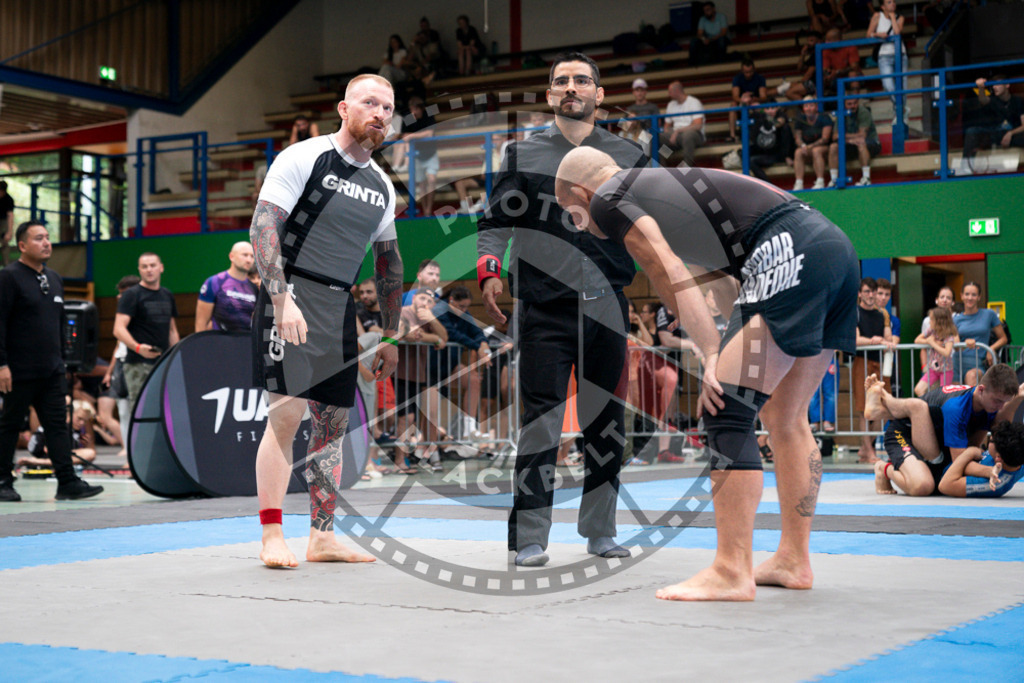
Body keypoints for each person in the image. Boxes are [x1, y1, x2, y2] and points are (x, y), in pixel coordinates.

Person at [554, 146, 860, 601]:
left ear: (582, 191)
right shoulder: (667, 194)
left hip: (785, 251)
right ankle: (794, 560)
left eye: (572, 213)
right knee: (786, 418)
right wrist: (722, 339)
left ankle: (732, 569)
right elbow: (719, 281)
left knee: (725, 411)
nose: (581, 224)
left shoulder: (609, 197)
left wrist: (713, 353)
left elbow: (665, 268)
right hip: (832, 249)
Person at [478, 52, 648, 567]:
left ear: (599, 93)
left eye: (581, 80)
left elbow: (650, 226)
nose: (570, 87)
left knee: (606, 424)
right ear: (550, 94)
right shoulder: (520, 154)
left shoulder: (630, 155)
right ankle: (529, 536)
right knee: (540, 425)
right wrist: (490, 269)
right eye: (560, 81)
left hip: (608, 307)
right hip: (543, 307)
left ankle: (600, 529)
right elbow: (495, 221)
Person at [249, 73, 403, 568]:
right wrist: (279, 299)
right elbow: (264, 224)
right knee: (287, 417)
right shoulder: (304, 157)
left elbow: (388, 265)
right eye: (369, 102)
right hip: (291, 294)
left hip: (339, 309)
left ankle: (322, 537)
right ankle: (272, 534)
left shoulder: (382, 186)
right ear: (343, 108)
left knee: (331, 426)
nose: (379, 113)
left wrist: (390, 334)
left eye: (388, 107)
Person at [0, 221, 104, 501]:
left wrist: (64, 364)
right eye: (38, 238)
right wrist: (1, 364)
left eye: (48, 237)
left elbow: (58, 327)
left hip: (52, 370)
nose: (46, 242)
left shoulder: (55, 278)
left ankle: (67, 483)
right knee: (9, 425)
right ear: (22, 246)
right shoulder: (8, 277)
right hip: (18, 370)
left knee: (58, 426)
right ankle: (2, 482)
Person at [868, 365, 1021, 496]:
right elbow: (960, 460)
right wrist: (988, 470)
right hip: (905, 432)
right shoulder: (957, 408)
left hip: (934, 438)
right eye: (998, 401)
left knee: (940, 464)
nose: (1000, 407)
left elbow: (991, 432)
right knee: (923, 486)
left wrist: (1019, 397)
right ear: (981, 390)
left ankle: (884, 405)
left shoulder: (988, 404)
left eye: (1004, 402)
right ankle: (883, 468)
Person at [113, 253, 180, 408]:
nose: (149, 270)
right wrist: (138, 348)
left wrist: (175, 357)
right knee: (142, 410)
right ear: (139, 270)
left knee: (166, 408)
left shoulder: (167, 294)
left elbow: (172, 330)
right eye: (144, 266)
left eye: (152, 265)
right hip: (138, 363)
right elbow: (118, 329)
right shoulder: (131, 295)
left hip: (163, 363)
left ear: (161, 268)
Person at [431, 286, 491, 441]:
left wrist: (483, 343)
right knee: (433, 404)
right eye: (461, 306)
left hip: (450, 363)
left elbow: (476, 332)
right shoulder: (439, 310)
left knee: (474, 380)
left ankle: (469, 428)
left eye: (466, 307)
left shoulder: (464, 313)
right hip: (430, 364)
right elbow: (451, 334)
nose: (464, 310)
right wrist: (477, 346)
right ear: (451, 300)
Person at [852, 277, 893, 463]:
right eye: (867, 291)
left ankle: (865, 447)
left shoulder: (881, 314)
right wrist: (873, 341)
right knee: (863, 410)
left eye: (873, 291)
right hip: (862, 362)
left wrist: (884, 341)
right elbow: (855, 339)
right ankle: (869, 451)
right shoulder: (854, 313)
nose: (870, 295)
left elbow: (888, 338)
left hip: (880, 363)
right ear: (860, 293)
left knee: (883, 407)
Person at [938, 420, 1024, 498]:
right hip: (950, 452)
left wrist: (969, 453)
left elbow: (945, 485)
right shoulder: (1015, 454)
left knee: (927, 485)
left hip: (939, 468)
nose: (989, 440)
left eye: (991, 441)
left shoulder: (993, 484)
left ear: (998, 458)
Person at [961, 76, 1024, 172]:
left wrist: (1010, 133)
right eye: (993, 85)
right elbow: (983, 100)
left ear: (1007, 85)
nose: (994, 87)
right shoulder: (993, 99)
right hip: (994, 134)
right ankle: (965, 169)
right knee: (972, 131)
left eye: (997, 84)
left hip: (1012, 135)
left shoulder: (1018, 101)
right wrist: (981, 87)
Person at [195, 242, 258, 332]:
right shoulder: (214, 282)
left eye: (252, 256)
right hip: (219, 341)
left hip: (245, 341)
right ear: (231, 256)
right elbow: (201, 324)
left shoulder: (254, 288)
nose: (249, 260)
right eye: (245, 255)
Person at [954, 281, 1006, 382]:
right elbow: (955, 345)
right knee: (955, 394)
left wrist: (990, 349)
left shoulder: (989, 314)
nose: (970, 298)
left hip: (978, 362)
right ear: (962, 296)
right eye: (967, 294)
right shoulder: (956, 319)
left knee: (972, 377)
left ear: (979, 297)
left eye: (974, 295)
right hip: (957, 362)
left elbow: (1003, 338)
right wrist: (964, 344)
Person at [868, 0, 909, 122]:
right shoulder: (877, 16)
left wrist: (892, 17)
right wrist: (877, 34)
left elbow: (897, 32)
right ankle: (901, 108)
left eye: (894, 2)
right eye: (889, 2)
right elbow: (868, 34)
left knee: (902, 86)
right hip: (884, 56)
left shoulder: (900, 17)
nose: (893, 4)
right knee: (887, 85)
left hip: (900, 54)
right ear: (882, 6)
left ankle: (899, 114)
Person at [828, 93, 879, 187]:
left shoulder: (863, 112)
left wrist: (843, 136)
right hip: (850, 144)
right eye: (849, 104)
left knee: (861, 142)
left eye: (855, 103)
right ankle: (834, 180)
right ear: (844, 104)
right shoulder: (841, 113)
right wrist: (849, 140)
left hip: (871, 143)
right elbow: (834, 136)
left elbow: (862, 135)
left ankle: (866, 178)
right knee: (833, 146)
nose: (853, 106)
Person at [402, 97, 439, 216]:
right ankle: (426, 211)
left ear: (420, 109)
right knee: (422, 184)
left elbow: (429, 134)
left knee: (432, 180)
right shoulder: (408, 118)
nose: (413, 113)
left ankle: (429, 209)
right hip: (416, 155)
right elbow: (404, 136)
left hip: (431, 153)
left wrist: (412, 136)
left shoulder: (429, 114)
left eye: (415, 110)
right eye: (411, 110)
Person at [914, 306, 959, 396]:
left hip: (946, 370)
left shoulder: (948, 335)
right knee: (918, 389)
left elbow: (947, 352)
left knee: (943, 394)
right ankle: (928, 407)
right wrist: (928, 341)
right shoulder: (931, 331)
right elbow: (917, 340)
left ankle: (939, 409)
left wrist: (933, 344)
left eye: (931, 319)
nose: (929, 321)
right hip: (933, 369)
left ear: (939, 321)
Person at [792, 96, 834, 190]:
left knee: (816, 151)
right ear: (803, 108)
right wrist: (802, 145)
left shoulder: (824, 118)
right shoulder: (800, 119)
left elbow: (825, 138)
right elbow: (797, 137)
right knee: (798, 152)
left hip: (824, 148)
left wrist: (809, 146)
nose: (809, 108)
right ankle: (798, 183)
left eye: (811, 105)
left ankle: (820, 181)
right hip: (807, 149)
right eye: (806, 106)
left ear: (816, 106)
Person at [748, 99, 795, 182]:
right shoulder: (759, 118)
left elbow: (780, 122)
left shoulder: (781, 116)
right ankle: (767, 184)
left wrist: (787, 156)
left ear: (777, 108)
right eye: (767, 108)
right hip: (764, 152)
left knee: (786, 128)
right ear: (764, 109)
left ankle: (769, 185)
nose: (770, 111)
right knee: (749, 159)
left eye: (773, 108)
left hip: (777, 154)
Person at [662, 81, 705, 167]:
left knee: (688, 136)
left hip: (694, 134)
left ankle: (686, 167)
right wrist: (669, 134)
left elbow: (697, 125)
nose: (668, 94)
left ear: (677, 91)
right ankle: (661, 167)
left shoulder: (694, 102)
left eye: (670, 92)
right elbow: (666, 126)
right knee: (659, 138)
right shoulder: (671, 104)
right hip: (676, 137)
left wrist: (677, 131)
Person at [618, 78, 661, 156]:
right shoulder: (629, 109)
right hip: (634, 134)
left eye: (642, 90)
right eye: (637, 90)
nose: (639, 93)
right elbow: (624, 126)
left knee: (661, 147)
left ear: (645, 91)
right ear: (633, 92)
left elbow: (658, 124)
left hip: (650, 134)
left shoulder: (653, 107)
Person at [729, 59, 768, 143]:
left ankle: (762, 132)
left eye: (750, 72)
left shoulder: (760, 78)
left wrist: (755, 99)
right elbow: (735, 96)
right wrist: (743, 101)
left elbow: (764, 97)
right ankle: (732, 135)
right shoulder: (737, 78)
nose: (748, 74)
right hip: (741, 103)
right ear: (742, 71)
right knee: (733, 105)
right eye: (746, 72)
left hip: (755, 103)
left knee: (759, 107)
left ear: (754, 70)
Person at [821, 27, 862, 98]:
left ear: (837, 40)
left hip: (851, 78)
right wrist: (828, 73)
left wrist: (837, 72)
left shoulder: (850, 47)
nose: (826, 42)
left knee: (853, 74)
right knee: (821, 78)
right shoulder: (826, 50)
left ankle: (854, 102)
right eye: (826, 40)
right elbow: (825, 68)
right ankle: (819, 105)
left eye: (828, 40)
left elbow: (854, 67)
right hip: (835, 79)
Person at [690, 1, 729, 66]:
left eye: (708, 10)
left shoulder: (721, 17)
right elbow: (699, 34)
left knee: (721, 41)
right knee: (694, 41)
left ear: (713, 9)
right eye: (704, 11)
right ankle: (692, 64)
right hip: (708, 40)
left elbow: (723, 32)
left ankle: (721, 63)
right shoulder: (702, 19)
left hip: (719, 38)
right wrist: (704, 39)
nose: (706, 12)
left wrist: (711, 39)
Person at [0, 180, 14, 266]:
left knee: (5, 243)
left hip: (3, 222)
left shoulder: (8, 200)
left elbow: (10, 216)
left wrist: (9, 232)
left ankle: (6, 265)